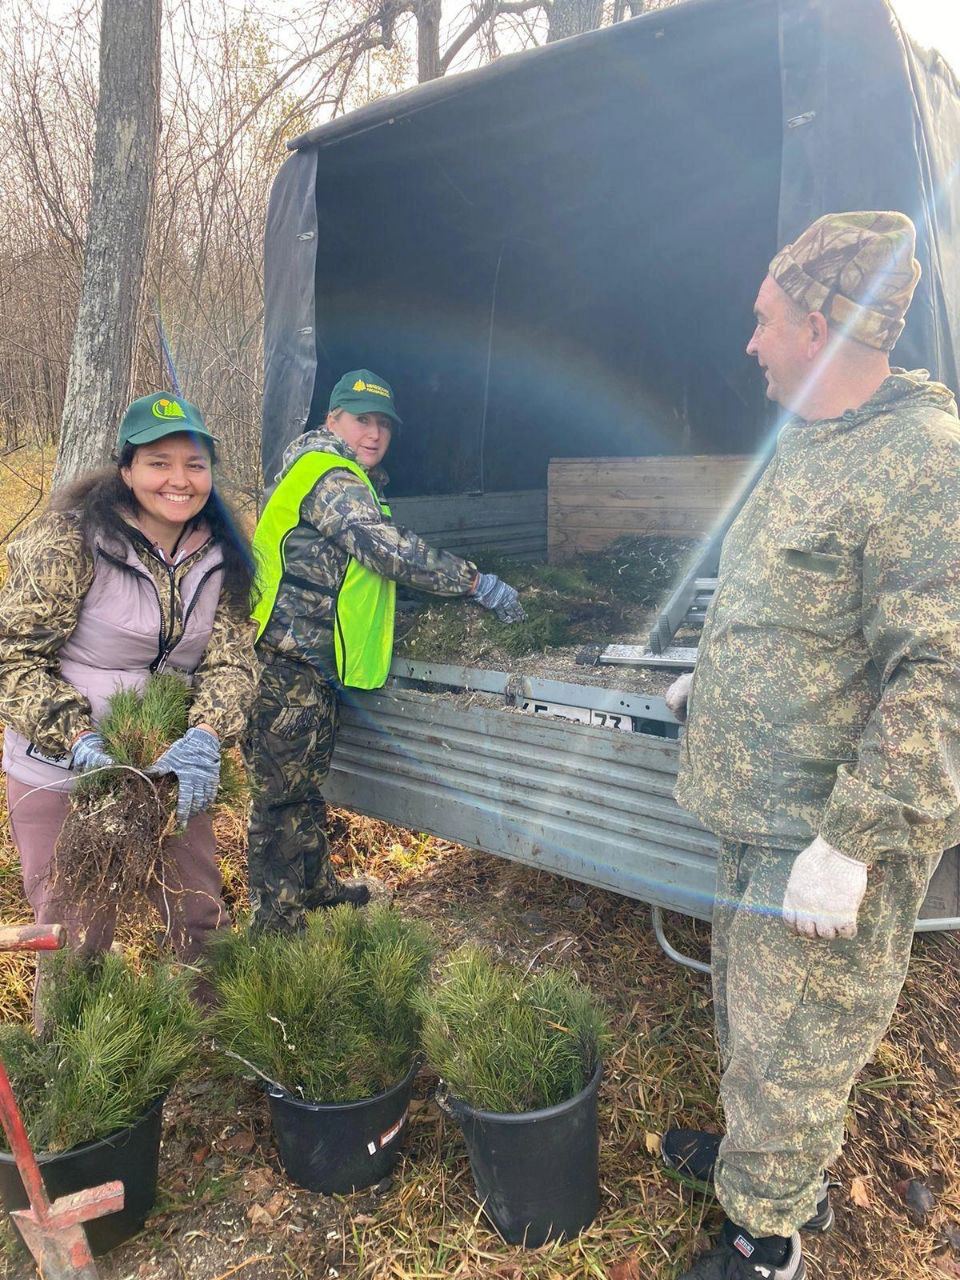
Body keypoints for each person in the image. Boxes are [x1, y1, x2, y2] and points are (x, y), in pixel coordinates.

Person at [662, 212, 960, 1280]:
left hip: (821, 833)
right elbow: (792, 600)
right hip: (756, 810)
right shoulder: (813, 440)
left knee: (798, 1042)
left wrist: (854, 838)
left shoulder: (922, 460)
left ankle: (768, 1236)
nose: (751, 342)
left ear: (823, 326)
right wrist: (724, 671)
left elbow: (941, 674)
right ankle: (764, 1164)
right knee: (752, 1014)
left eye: (765, 319)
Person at [248, 368, 524, 933]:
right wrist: (476, 584)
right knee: (280, 798)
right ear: (332, 421)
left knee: (303, 786)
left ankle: (316, 886)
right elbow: (387, 552)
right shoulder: (331, 476)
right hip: (286, 665)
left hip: (309, 663)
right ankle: (278, 926)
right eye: (360, 420)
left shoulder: (340, 474)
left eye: (382, 425)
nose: (373, 434)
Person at [0, 392, 259, 964]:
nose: (179, 480)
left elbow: (234, 658)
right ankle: (71, 1055)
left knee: (200, 924)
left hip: (170, 771)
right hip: (61, 774)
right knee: (73, 941)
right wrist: (75, 739)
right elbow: (14, 655)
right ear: (126, 470)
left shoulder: (226, 556)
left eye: (195, 465)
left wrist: (206, 737)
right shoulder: (71, 540)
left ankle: (213, 1047)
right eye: (158, 462)